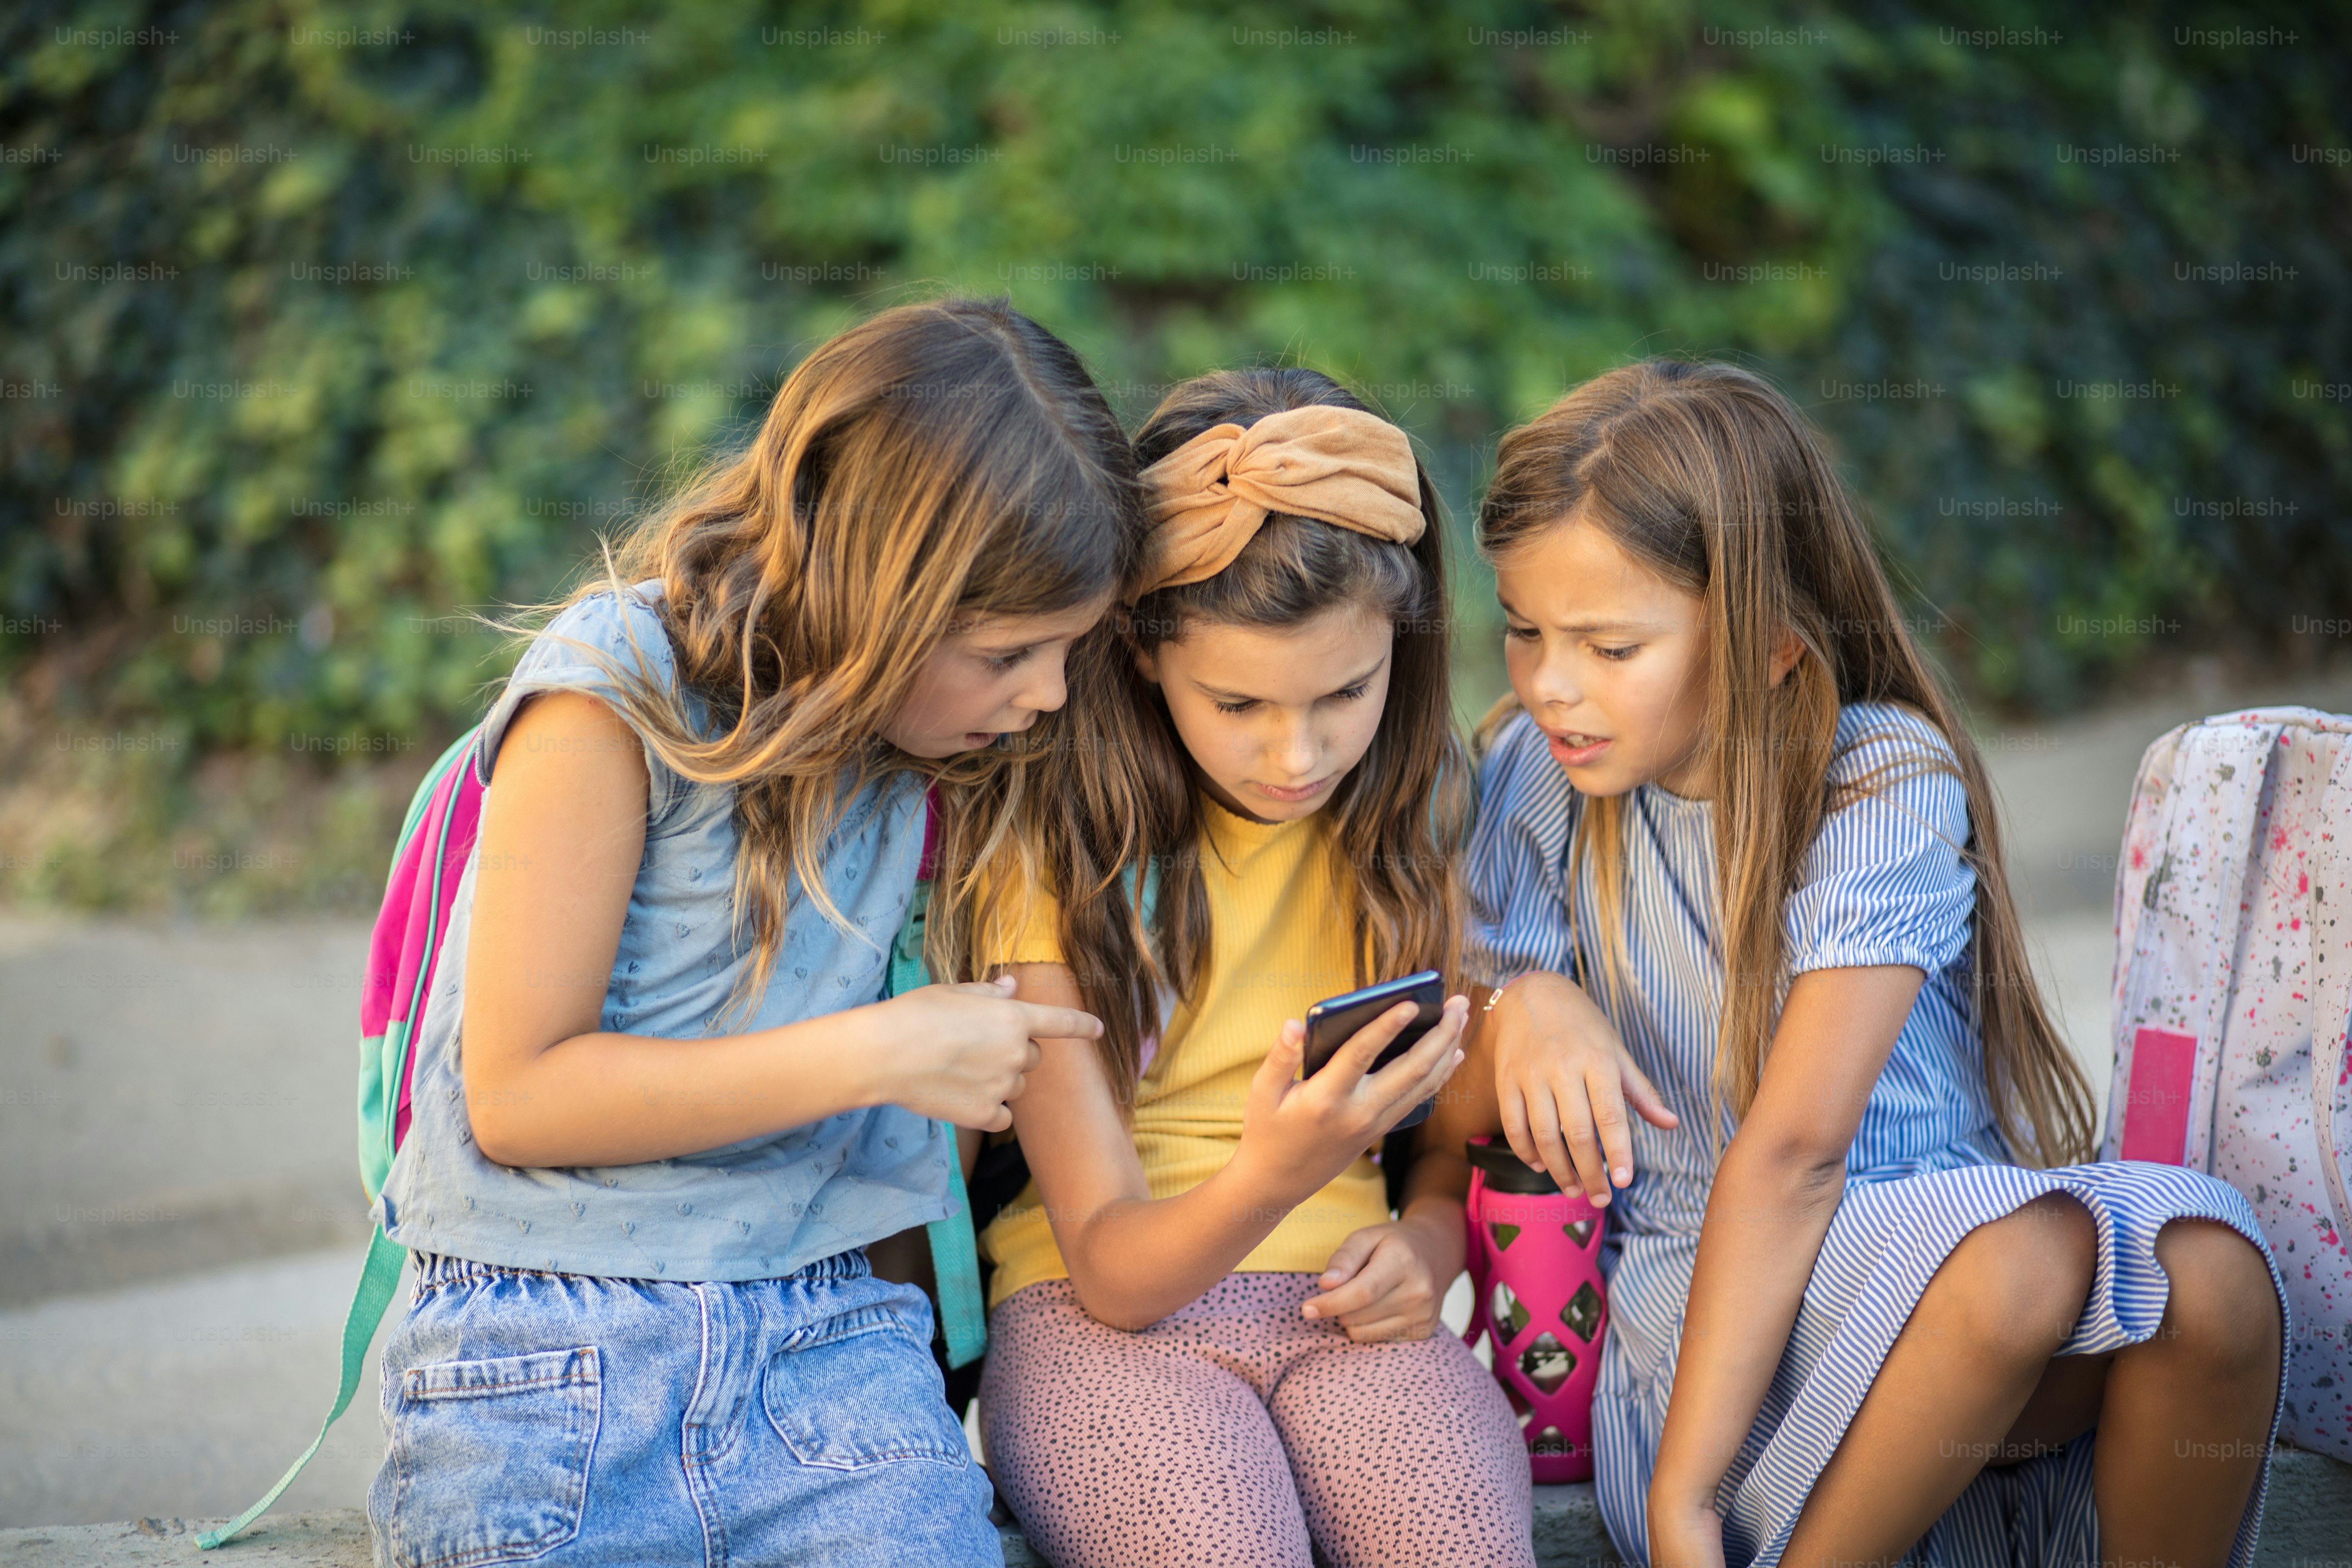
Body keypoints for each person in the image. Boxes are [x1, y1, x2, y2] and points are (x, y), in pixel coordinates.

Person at [1433, 358, 2288, 1568]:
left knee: (2210, 1277)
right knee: (2020, 1264)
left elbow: (1797, 1154)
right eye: (1523, 630)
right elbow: (1456, 1105)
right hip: (1720, 1328)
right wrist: (1523, 1003)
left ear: (1771, 641)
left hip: (1945, 1279)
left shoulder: (1877, 776)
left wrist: (1683, 1497)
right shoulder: (1533, 777)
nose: (1550, 684)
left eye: (1609, 646)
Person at [367, 298, 1138, 1567]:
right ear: (880, 595)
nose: (1047, 694)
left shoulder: (926, 747)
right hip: (545, 1344)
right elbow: (515, 1098)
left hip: (831, 1341)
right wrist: (881, 1054)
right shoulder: (614, 694)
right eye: (1009, 652)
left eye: (1065, 650)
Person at [968, 368, 1537, 1568]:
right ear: (1139, 653)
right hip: (1097, 1321)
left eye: (1345, 692)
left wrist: (1427, 1247)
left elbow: (1443, 1147)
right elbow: (1112, 1271)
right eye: (1237, 704)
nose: (1296, 755)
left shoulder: (1420, 824)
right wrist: (1275, 1171)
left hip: (1347, 1314)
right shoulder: (1056, 846)